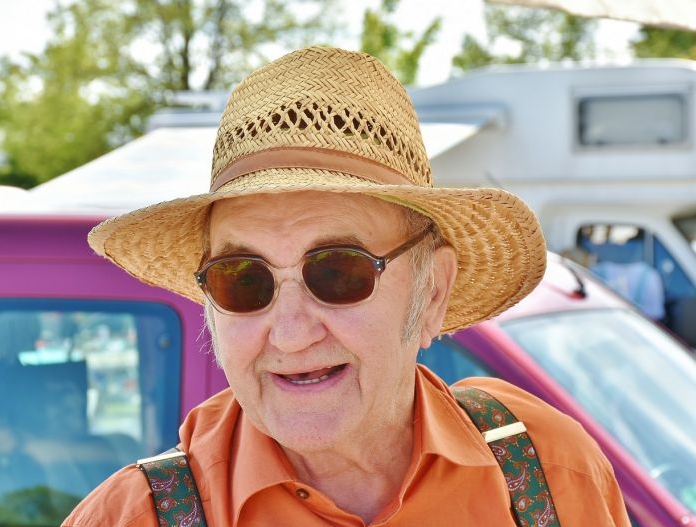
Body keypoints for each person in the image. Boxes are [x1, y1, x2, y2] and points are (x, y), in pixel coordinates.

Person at [63, 47, 630, 526]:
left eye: (337, 272)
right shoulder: (130, 517)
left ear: (432, 292)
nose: (290, 333)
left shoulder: (547, 471)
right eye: (243, 280)